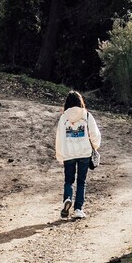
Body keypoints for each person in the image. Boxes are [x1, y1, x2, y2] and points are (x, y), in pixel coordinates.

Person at [52, 90, 101, 220]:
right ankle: (78, 209)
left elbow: (59, 137)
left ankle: (67, 198)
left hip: (68, 154)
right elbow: (94, 134)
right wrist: (95, 146)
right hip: (84, 153)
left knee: (68, 181)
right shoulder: (87, 115)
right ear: (80, 102)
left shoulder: (64, 117)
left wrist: (60, 155)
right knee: (81, 181)